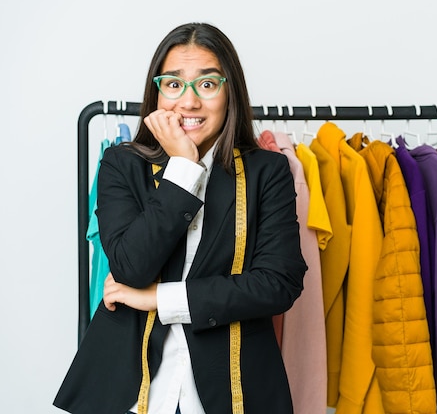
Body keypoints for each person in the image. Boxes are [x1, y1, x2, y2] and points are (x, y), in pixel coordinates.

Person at [54, 22, 307, 414]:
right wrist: (184, 168)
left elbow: (277, 284)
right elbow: (131, 267)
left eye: (207, 85)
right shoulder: (122, 164)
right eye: (173, 84)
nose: (188, 103)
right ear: (156, 93)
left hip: (237, 389)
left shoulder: (267, 172)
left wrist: (158, 299)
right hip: (130, 390)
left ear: (230, 92)